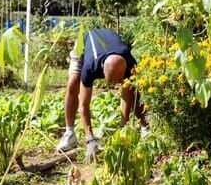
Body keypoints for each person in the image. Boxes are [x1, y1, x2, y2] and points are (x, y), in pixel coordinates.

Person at [56, 28, 146, 162]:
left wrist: (122, 130)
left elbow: (126, 95)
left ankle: (144, 127)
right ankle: (69, 133)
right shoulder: (90, 65)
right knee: (73, 82)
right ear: (102, 69)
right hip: (84, 44)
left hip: (110, 47)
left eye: (118, 80)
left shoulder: (129, 62)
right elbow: (83, 105)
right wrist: (90, 139)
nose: (115, 85)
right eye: (111, 81)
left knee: (133, 91)